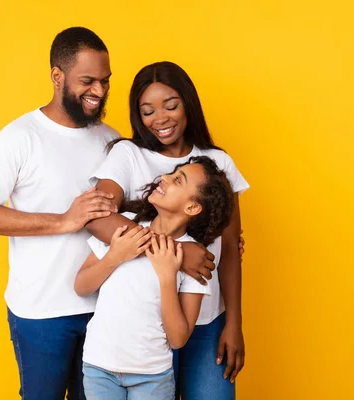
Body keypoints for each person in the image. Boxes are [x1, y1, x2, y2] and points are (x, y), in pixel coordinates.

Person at [0, 27, 216, 399]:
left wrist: (179, 247)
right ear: (57, 76)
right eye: (87, 81)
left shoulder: (111, 140)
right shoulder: (19, 137)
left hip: (107, 316)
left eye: (105, 81)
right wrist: (65, 221)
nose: (98, 91)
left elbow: (147, 213)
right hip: (43, 311)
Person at [86, 61, 250, 399]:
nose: (160, 118)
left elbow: (231, 249)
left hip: (205, 322)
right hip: (140, 332)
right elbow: (97, 216)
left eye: (171, 106)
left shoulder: (218, 163)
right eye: (147, 111)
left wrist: (233, 322)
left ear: (188, 103)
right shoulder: (127, 154)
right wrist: (177, 250)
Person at [76, 156, 235, 400]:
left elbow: (178, 338)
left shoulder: (195, 262)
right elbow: (81, 286)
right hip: (99, 367)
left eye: (177, 180)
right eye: (172, 173)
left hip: (152, 376)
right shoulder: (123, 227)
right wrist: (114, 256)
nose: (164, 178)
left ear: (192, 208)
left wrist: (167, 277)